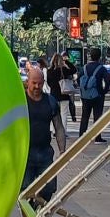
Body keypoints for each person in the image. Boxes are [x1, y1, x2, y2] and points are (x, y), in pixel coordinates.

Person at [21, 62, 67, 205]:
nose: (36, 87)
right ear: (27, 82)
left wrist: (62, 151)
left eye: (40, 84)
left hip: (45, 153)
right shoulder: (21, 101)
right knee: (25, 190)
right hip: (25, 154)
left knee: (49, 187)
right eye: (34, 83)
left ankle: (38, 210)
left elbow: (58, 127)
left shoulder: (50, 101)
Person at [76, 47, 110, 135]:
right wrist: (104, 91)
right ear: (99, 57)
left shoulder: (84, 68)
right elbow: (107, 80)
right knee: (97, 116)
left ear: (90, 56)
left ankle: (82, 134)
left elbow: (78, 79)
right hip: (98, 95)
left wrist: (83, 88)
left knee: (85, 116)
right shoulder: (101, 68)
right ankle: (97, 136)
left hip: (85, 95)